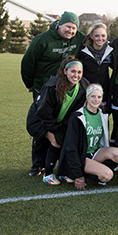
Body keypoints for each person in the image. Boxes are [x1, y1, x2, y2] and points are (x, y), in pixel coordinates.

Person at [21, 11, 84, 177]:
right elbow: (27, 63)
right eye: (68, 27)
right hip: (45, 88)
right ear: (59, 24)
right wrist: (29, 84)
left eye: (74, 28)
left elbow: (94, 38)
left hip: (66, 87)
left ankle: (57, 161)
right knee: (44, 124)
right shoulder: (42, 40)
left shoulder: (78, 38)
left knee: (61, 125)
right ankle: (38, 164)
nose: (71, 31)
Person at [26, 56, 89, 185]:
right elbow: (43, 113)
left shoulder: (83, 86)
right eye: (73, 71)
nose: (76, 75)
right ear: (65, 71)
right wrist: (55, 130)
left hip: (57, 120)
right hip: (38, 120)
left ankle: (62, 172)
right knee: (56, 140)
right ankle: (48, 173)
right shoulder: (51, 86)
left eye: (79, 72)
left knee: (68, 138)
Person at [57, 84, 118, 189]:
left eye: (99, 97)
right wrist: (78, 175)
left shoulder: (102, 115)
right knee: (107, 175)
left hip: (95, 153)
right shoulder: (77, 117)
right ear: (87, 97)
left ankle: (93, 170)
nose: (96, 100)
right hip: (82, 156)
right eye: (93, 96)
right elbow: (71, 146)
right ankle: (83, 173)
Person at [77, 23, 113, 106]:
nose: (100, 39)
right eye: (97, 36)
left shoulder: (111, 51)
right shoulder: (83, 52)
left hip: (104, 92)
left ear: (106, 36)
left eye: (103, 36)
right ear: (91, 36)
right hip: (86, 91)